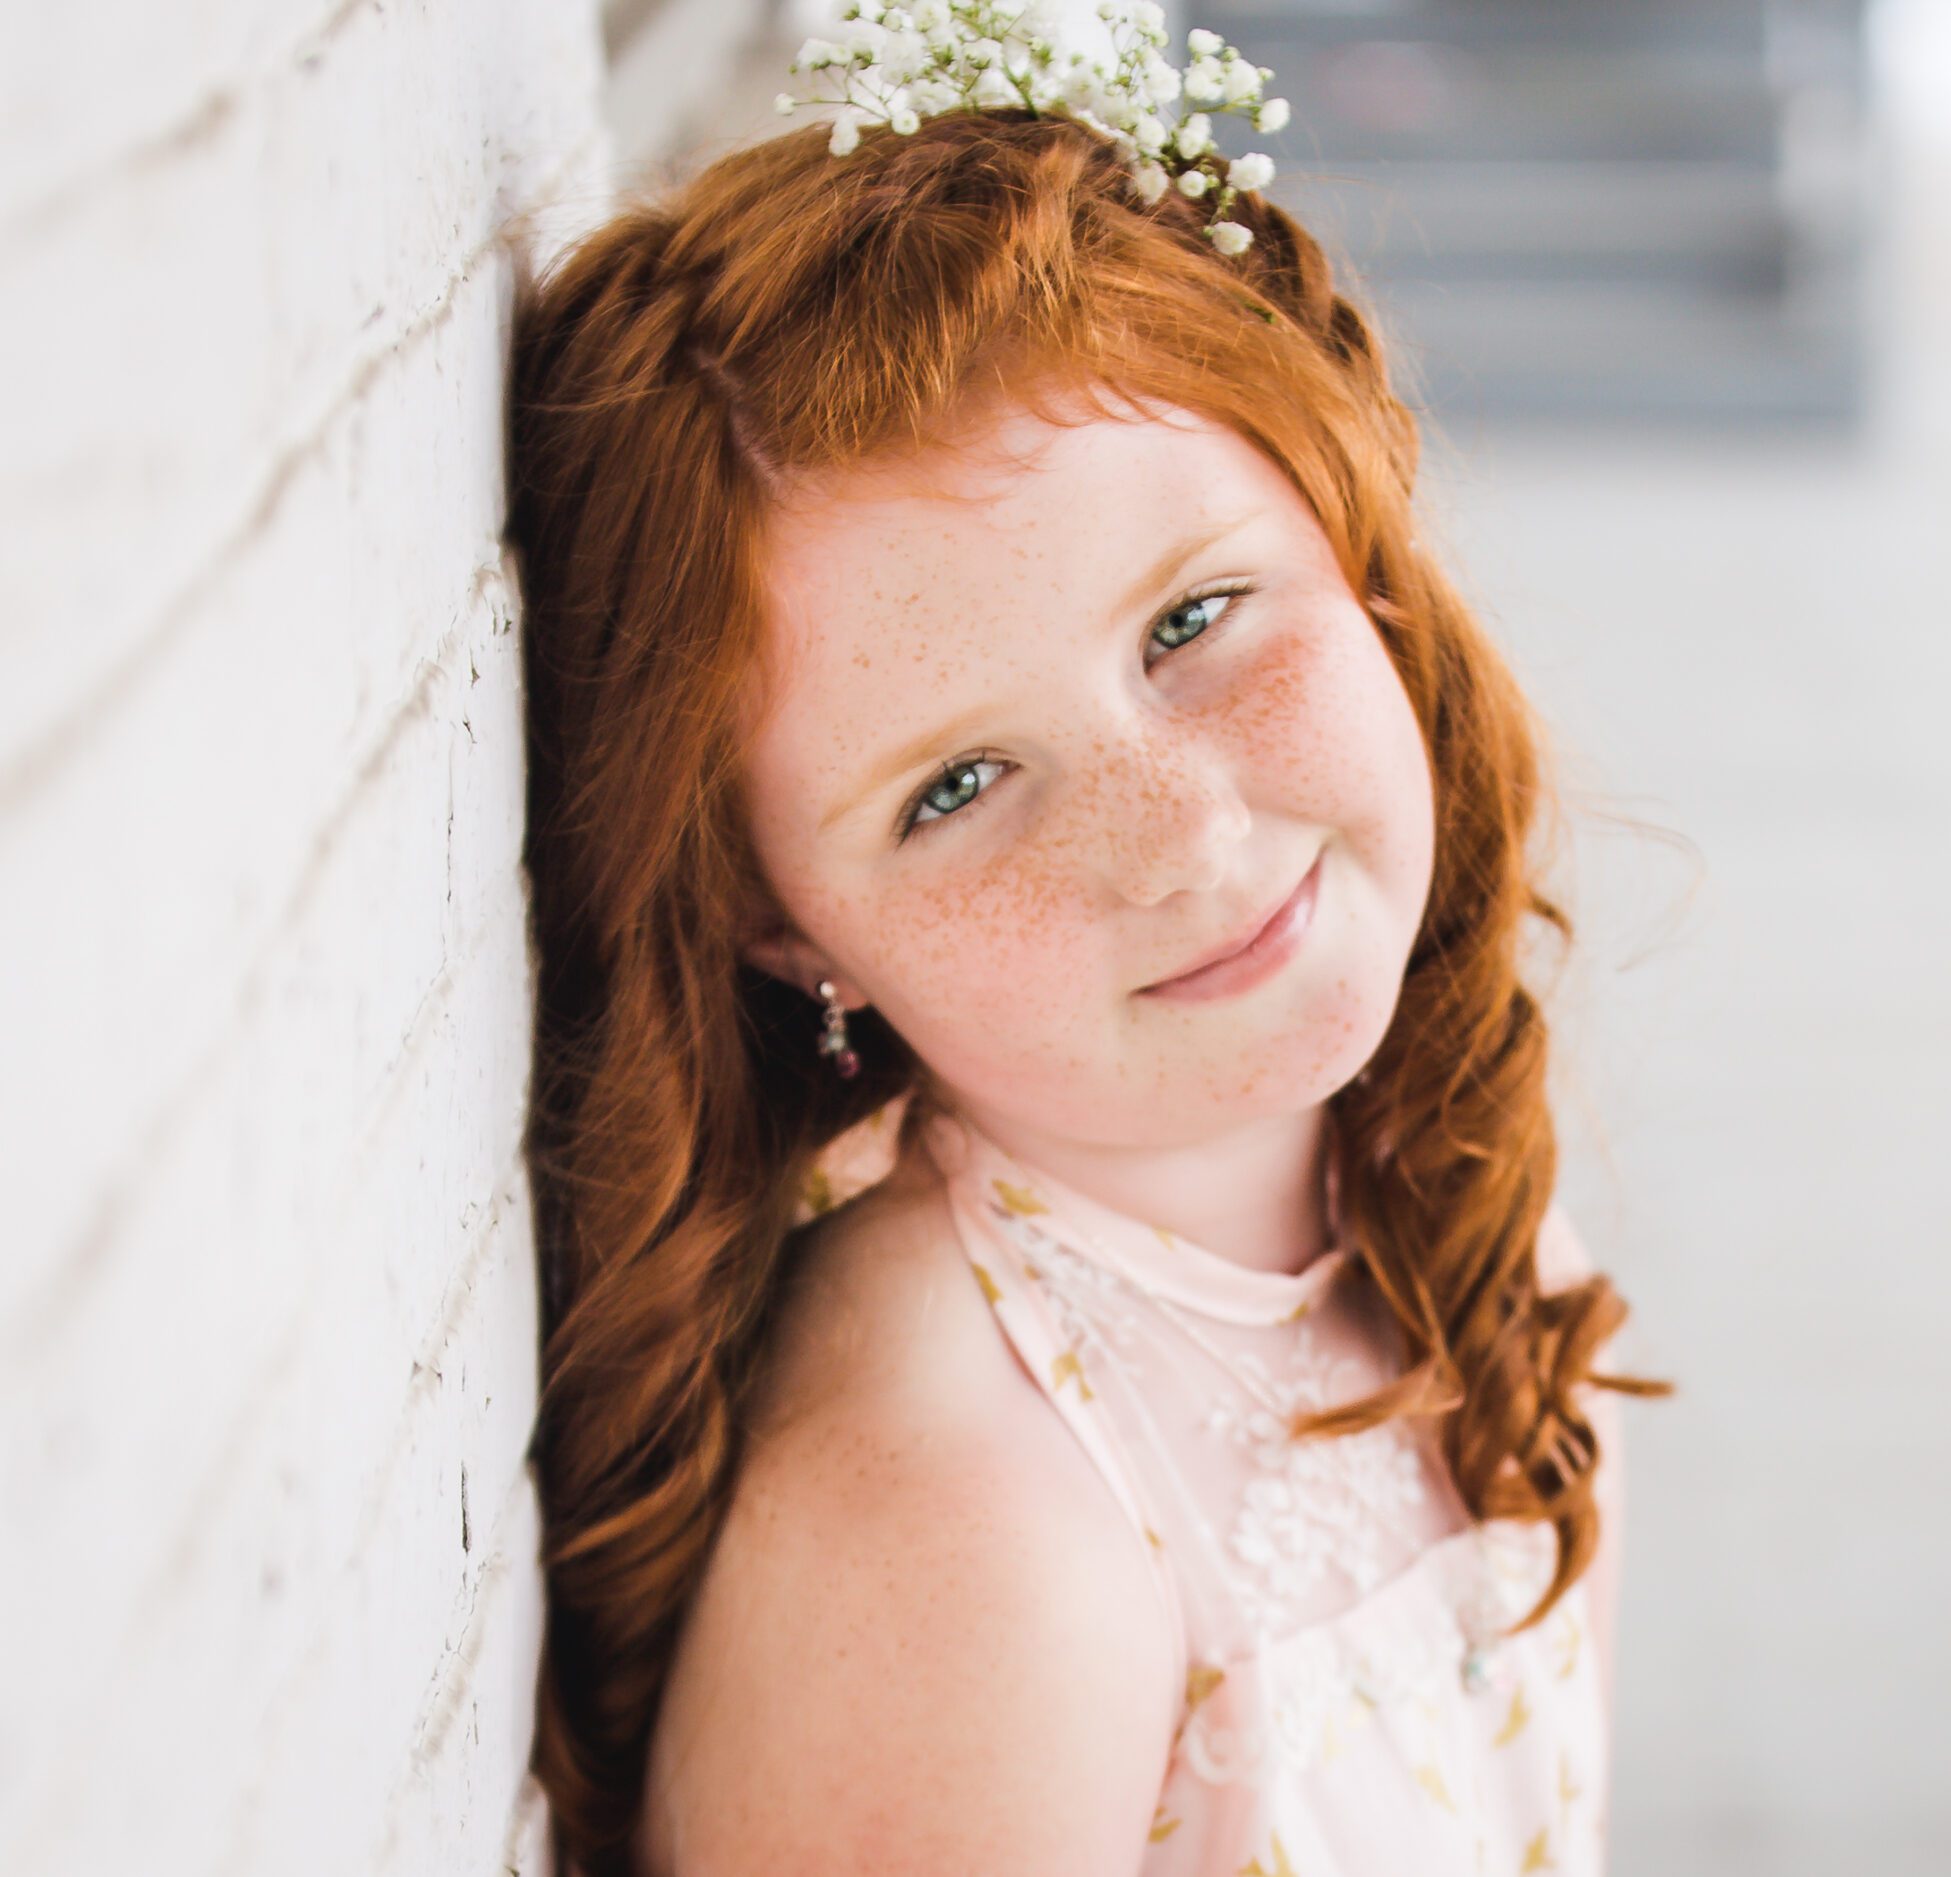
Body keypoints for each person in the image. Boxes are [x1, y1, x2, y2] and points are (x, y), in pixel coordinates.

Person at [505, 13, 1671, 1872]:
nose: (1186, 836)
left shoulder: (1451, 1216)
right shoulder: (971, 1535)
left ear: (1349, 522)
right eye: (958, 784)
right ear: (784, 929)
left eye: (1196, 616)